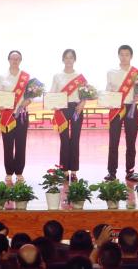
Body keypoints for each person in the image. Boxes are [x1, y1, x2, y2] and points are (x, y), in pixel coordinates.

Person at [105, 45, 138, 182]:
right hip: (116, 109)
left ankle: (130, 172)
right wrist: (108, 100)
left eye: (127, 54)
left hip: (131, 108)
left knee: (131, 141)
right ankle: (111, 172)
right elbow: (108, 91)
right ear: (118, 55)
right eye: (122, 54)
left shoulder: (136, 73)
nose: (124, 57)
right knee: (113, 141)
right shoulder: (111, 72)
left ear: (131, 56)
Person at [0, 50, 33, 184]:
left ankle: (19, 172)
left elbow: (30, 97)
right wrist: (0, 105)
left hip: (21, 115)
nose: (15, 61)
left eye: (17, 59)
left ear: (20, 60)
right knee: (8, 145)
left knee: (21, 144)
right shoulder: (2, 77)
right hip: (7, 115)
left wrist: (26, 102)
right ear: (9, 60)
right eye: (13, 58)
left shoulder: (26, 77)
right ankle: (8, 172)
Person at [50, 49, 87, 181]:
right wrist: (53, 104)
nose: (69, 60)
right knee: (64, 140)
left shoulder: (80, 77)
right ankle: (64, 170)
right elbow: (52, 93)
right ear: (63, 59)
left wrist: (82, 104)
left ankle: (74, 171)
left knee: (75, 139)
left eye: (71, 57)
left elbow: (85, 94)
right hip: (62, 110)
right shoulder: (57, 76)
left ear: (74, 59)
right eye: (66, 57)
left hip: (77, 108)